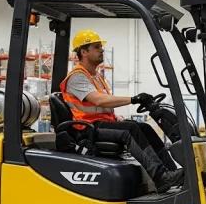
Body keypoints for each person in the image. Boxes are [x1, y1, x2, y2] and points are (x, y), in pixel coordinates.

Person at [61, 30, 184, 192]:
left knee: (144, 127)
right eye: (97, 47)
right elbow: (98, 100)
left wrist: (116, 117)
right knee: (130, 129)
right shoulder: (77, 77)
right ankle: (160, 177)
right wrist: (134, 99)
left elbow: (102, 106)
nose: (101, 50)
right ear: (84, 52)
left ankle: (172, 172)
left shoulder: (95, 76)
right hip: (86, 129)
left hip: (101, 123)